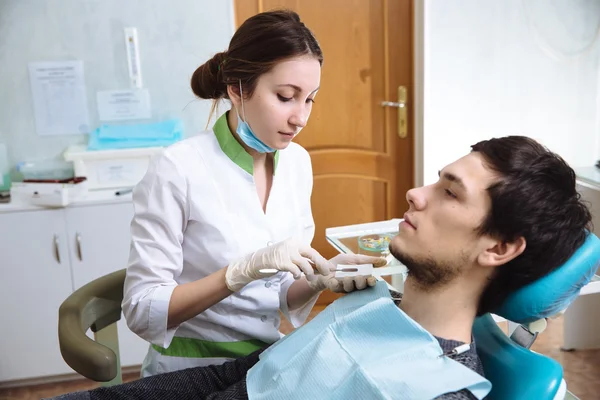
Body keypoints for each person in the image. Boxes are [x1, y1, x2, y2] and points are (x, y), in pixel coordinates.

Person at [51, 136, 592, 400]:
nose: (413, 193)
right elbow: (236, 378)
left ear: (498, 249)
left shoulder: (440, 393)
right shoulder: (369, 304)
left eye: (448, 192)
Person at [122, 9, 385, 378]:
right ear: (237, 88)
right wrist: (236, 273)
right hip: (191, 367)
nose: (301, 118)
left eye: (310, 99)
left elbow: (276, 293)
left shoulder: (296, 163)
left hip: (267, 359)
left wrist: (319, 279)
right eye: (285, 96)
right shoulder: (178, 169)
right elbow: (140, 308)